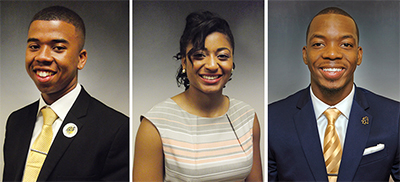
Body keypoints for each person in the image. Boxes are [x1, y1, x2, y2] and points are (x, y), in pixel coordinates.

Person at [268, 7, 400, 181]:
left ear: (358, 55)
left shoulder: (394, 117)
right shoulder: (273, 119)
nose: (332, 54)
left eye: (345, 44)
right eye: (318, 44)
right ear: (305, 54)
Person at [3, 6, 129, 181]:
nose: (42, 57)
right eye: (34, 46)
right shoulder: (16, 121)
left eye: (58, 48)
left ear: (81, 58)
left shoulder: (116, 130)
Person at [133, 11, 263, 181]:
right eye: (199, 55)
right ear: (184, 62)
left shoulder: (247, 117)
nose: (211, 65)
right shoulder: (155, 126)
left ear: (231, 62)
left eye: (222, 56)